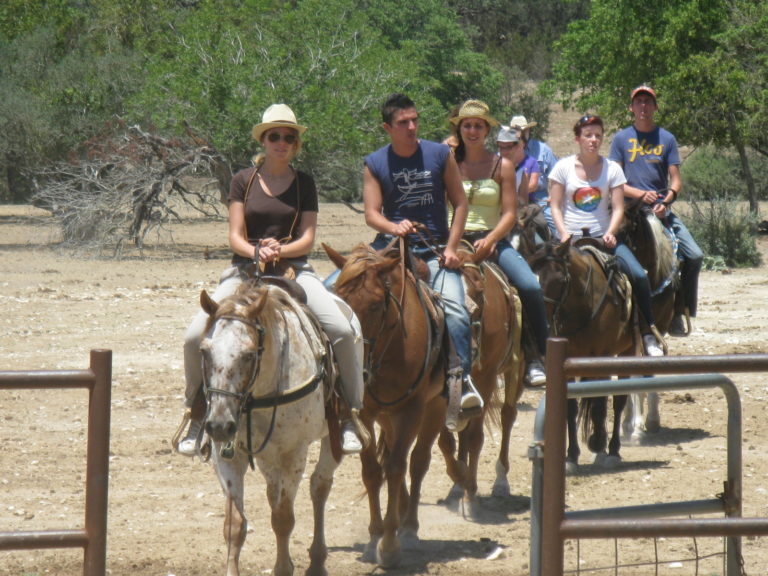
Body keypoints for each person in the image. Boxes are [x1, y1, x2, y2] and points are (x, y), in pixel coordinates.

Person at [176, 103, 366, 456]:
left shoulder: (304, 183)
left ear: (296, 144)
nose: (282, 142)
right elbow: (234, 235)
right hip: (243, 272)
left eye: (289, 137)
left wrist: (282, 250)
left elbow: (308, 238)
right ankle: (197, 413)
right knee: (193, 337)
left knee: (342, 330)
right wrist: (255, 252)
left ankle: (349, 415)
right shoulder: (242, 181)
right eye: (274, 136)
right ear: (263, 140)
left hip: (295, 271)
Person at [362, 93, 483, 426]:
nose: (412, 127)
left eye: (414, 120)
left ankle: (463, 380)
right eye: (403, 123)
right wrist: (392, 225)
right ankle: (344, 383)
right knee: (339, 291)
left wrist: (452, 247)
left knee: (456, 309)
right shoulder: (375, 162)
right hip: (390, 247)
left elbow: (460, 204)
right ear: (388, 127)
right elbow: (372, 214)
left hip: (433, 247)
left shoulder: (439, 154)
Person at [549, 114, 664, 357]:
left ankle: (647, 331)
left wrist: (611, 233)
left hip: (603, 238)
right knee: (545, 280)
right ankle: (540, 340)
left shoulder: (612, 169)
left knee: (638, 276)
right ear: (577, 138)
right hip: (569, 240)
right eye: (588, 135)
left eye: (598, 136)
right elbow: (556, 206)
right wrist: (562, 234)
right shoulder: (562, 168)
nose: (593, 140)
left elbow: (619, 207)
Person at [451, 100, 548, 385]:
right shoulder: (447, 163)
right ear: (459, 129)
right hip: (453, 242)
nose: (472, 131)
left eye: (478, 126)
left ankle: (536, 355)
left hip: (492, 242)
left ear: (486, 131)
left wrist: (491, 238)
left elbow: (510, 214)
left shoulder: (501, 165)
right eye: (467, 125)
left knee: (530, 285)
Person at [608, 85, 703, 336]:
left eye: (647, 102)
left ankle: (679, 310)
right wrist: (639, 195)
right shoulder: (621, 139)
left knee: (693, 255)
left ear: (654, 107)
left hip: (661, 211)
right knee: (606, 253)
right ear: (631, 108)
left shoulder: (667, 139)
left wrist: (667, 199)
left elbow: (676, 180)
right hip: (629, 212)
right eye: (638, 102)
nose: (643, 106)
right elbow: (615, 180)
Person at [510, 115, 559, 232]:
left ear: (528, 131)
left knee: (555, 222)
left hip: (539, 200)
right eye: (517, 130)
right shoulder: (504, 151)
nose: (521, 133)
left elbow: (558, 175)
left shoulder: (543, 150)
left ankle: (559, 244)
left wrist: (554, 195)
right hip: (509, 200)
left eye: (524, 130)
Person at [497, 126, 540, 207]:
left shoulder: (521, 173)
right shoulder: (491, 168)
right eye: (501, 147)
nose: (504, 151)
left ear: (517, 147)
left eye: (508, 147)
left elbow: (523, 206)